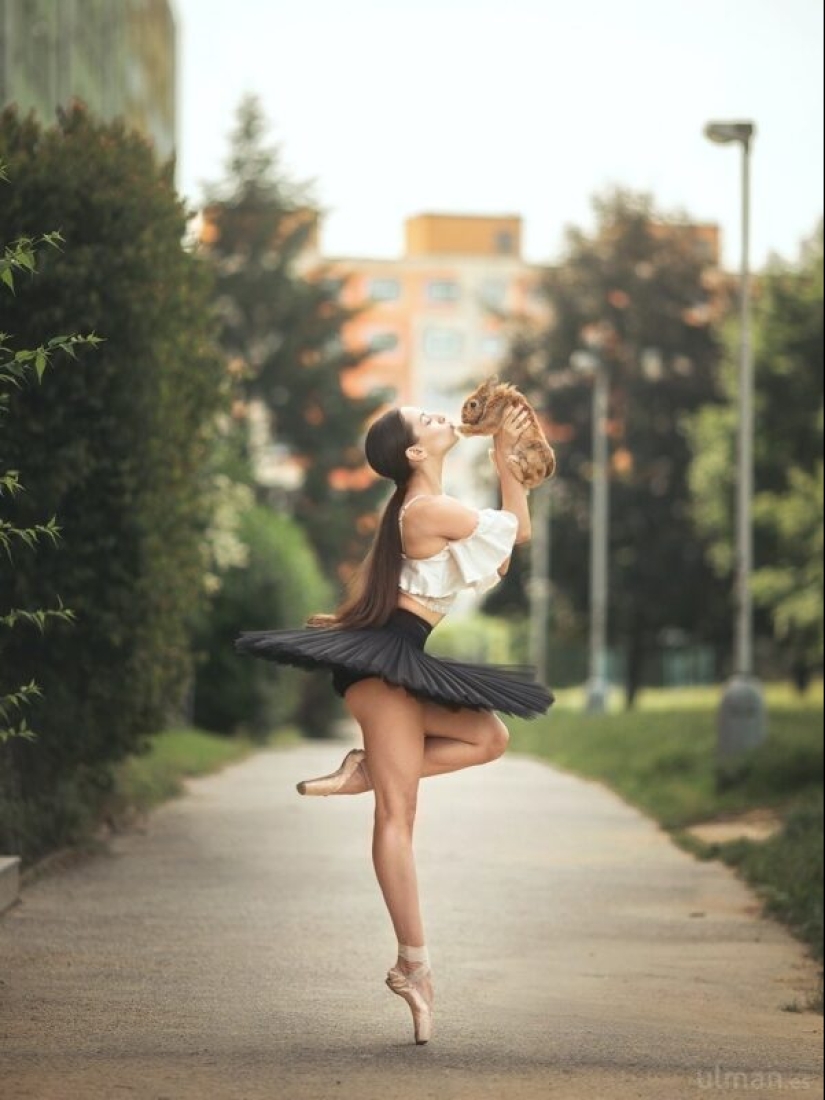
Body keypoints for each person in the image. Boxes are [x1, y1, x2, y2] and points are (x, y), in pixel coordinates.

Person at [234, 403, 555, 1045]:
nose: (441, 417)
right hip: (384, 671)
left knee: (489, 737)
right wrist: (505, 463)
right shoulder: (425, 510)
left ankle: (369, 771)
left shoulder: (421, 510)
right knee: (397, 816)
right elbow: (516, 534)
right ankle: (413, 965)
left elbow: (496, 560)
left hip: (396, 659)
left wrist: (507, 464)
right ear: (414, 452)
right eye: (426, 418)